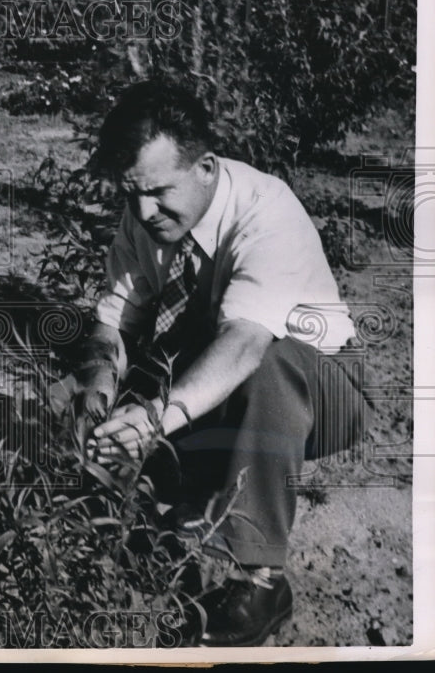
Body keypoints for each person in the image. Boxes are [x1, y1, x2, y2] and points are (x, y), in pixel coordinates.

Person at [55, 78, 364, 647]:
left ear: (206, 167)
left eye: (158, 191)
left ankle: (261, 581)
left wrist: (149, 420)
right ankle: (154, 514)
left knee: (270, 362)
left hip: (320, 394)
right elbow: (112, 327)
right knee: (101, 394)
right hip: (220, 390)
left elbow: (246, 342)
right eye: (131, 194)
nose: (144, 211)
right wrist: (99, 399)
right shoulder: (142, 216)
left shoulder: (266, 211)